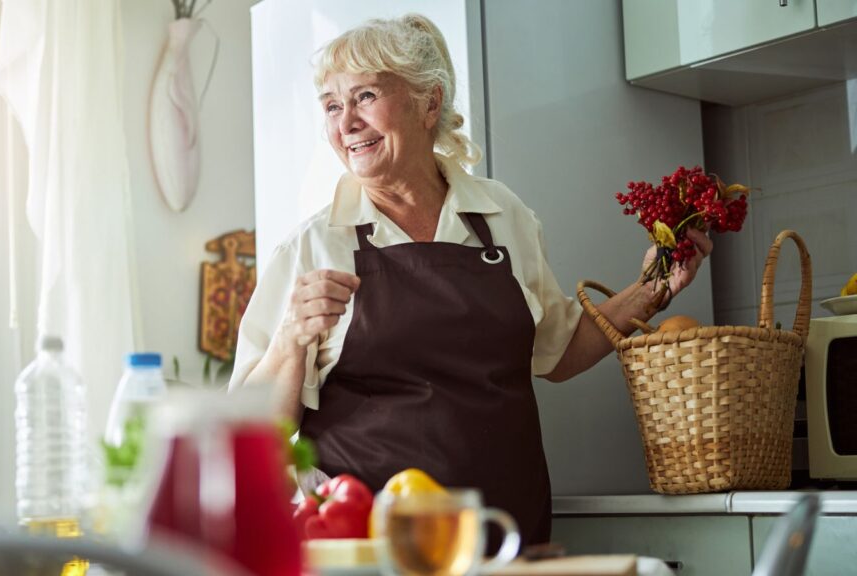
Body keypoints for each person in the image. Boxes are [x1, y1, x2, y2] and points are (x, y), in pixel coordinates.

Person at [229, 14, 712, 547]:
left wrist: (652, 288)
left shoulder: (503, 215)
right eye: (331, 105)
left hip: (505, 537)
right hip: (369, 550)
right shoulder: (312, 246)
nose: (346, 124)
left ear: (428, 103)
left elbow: (558, 349)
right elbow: (252, 436)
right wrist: (291, 338)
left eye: (364, 96)